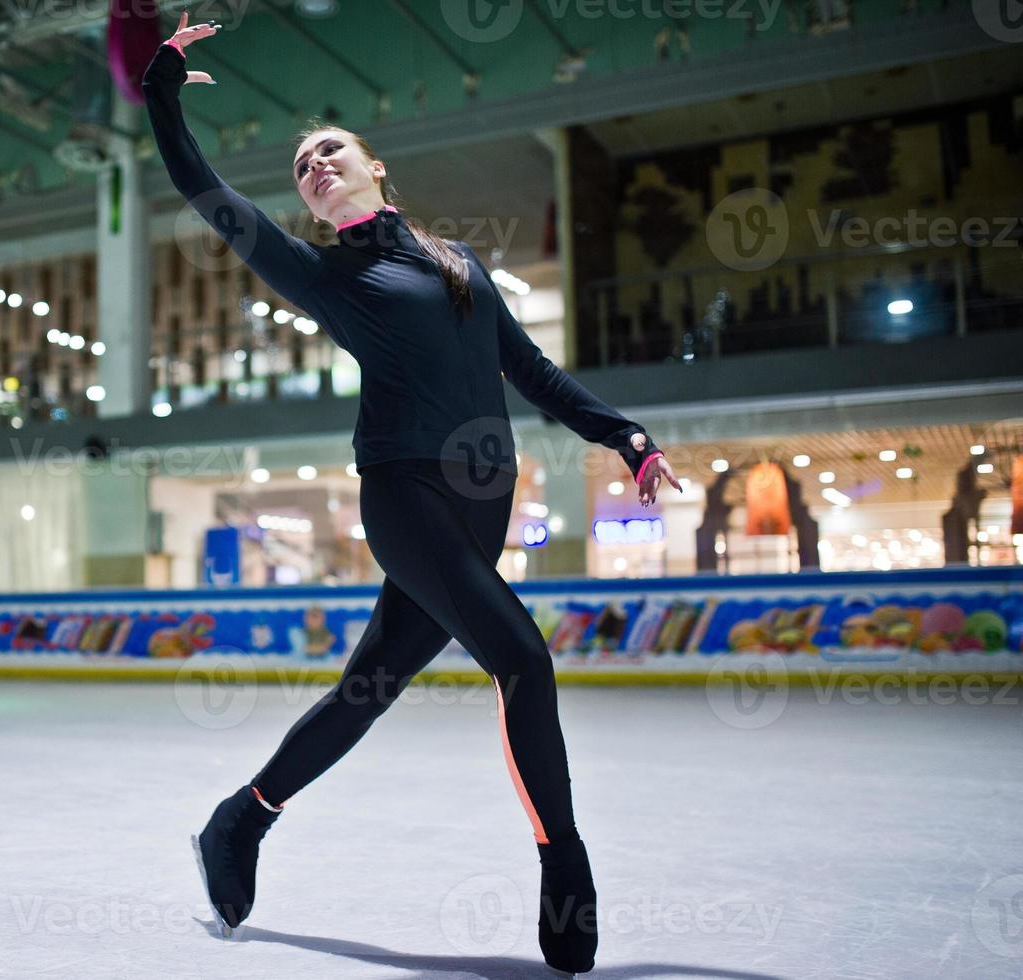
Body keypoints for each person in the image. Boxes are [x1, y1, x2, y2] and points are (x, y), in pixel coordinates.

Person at [143, 13, 680, 976]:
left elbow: (533, 372)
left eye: (330, 148)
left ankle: (240, 820)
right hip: (404, 495)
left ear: (374, 165)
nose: (314, 162)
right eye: (303, 161)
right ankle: (564, 865)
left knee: (367, 690)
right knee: (522, 659)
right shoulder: (325, 273)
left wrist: (623, 436)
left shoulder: (457, 264)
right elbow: (203, 190)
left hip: (484, 503)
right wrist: (161, 90)